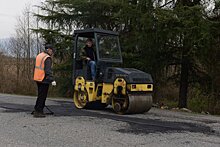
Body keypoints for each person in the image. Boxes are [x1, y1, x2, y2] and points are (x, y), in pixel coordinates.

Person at [32, 44, 56, 118]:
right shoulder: (47, 58)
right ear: (49, 50)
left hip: (37, 78)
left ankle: (36, 109)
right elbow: (48, 70)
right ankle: (38, 111)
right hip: (44, 79)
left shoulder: (40, 55)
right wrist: (52, 80)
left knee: (40, 95)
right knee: (42, 96)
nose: (52, 53)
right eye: (52, 51)